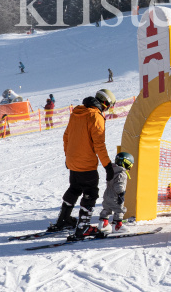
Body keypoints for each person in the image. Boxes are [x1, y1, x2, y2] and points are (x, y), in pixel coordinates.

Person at [51, 88, 116, 241]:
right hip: (86, 164)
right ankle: (84, 227)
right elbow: (99, 144)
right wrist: (107, 166)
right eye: (109, 105)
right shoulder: (95, 116)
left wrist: (68, 157)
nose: (108, 109)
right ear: (105, 103)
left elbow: (66, 136)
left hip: (73, 161)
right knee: (90, 192)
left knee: (74, 188)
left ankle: (63, 220)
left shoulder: (76, 113)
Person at [98, 152, 133, 234]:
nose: (130, 167)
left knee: (107, 208)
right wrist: (121, 194)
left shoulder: (112, 170)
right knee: (119, 209)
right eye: (130, 165)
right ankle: (118, 226)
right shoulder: (122, 174)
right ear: (125, 163)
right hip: (115, 195)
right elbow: (119, 185)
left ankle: (103, 224)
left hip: (107, 195)